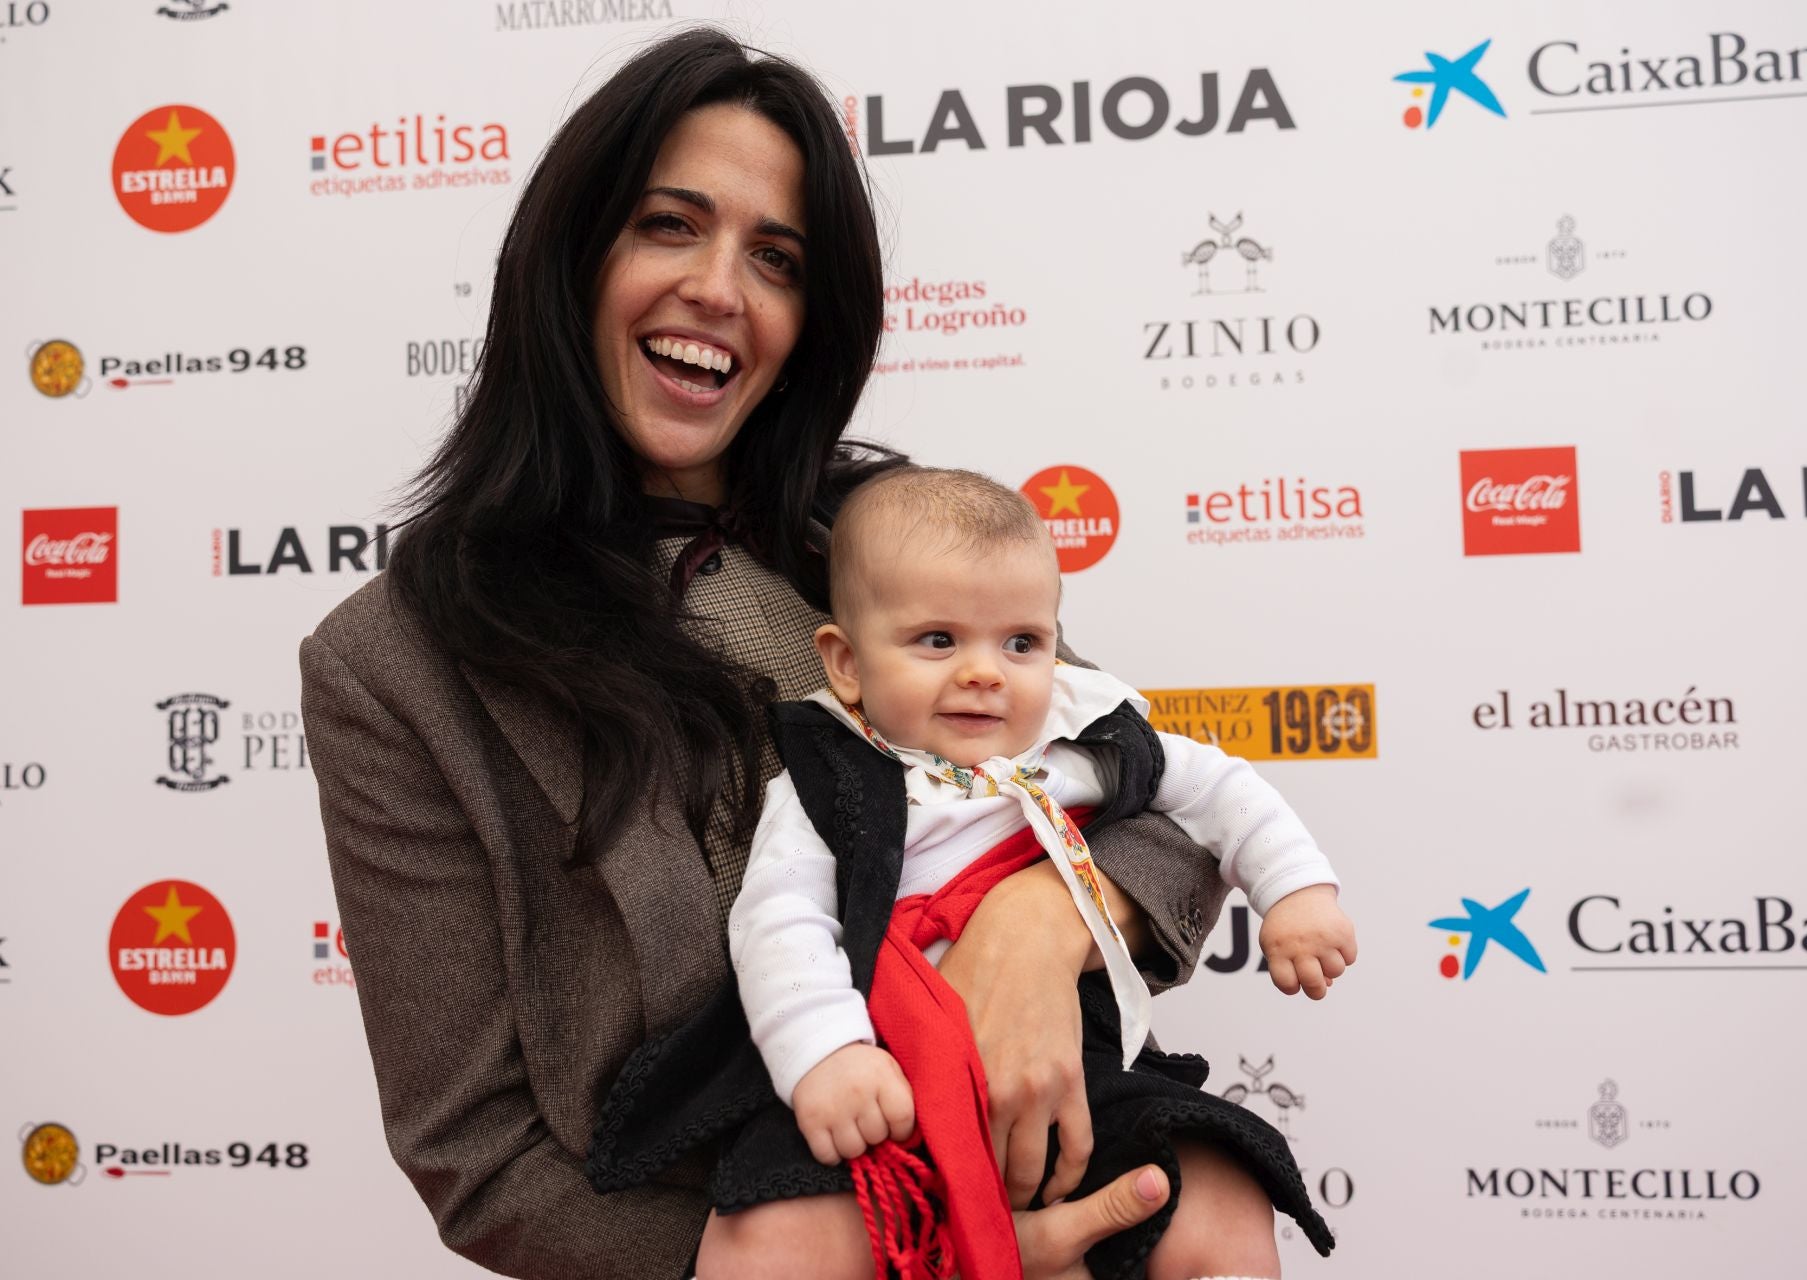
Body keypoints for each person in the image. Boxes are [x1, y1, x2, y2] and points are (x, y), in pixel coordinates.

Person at [300, 27, 1242, 1279]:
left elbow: (1155, 800)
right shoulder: (394, 663)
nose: (720, 290)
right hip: (763, 1240)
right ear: (572, 256)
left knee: (1227, 1200)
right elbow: (476, 1156)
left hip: (1054, 1185)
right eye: (670, 226)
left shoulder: (886, 537)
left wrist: (1043, 918)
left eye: (777, 258)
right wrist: (883, 1246)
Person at [626, 468, 1354, 1280]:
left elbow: (1217, 787)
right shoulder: (827, 777)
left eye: (1021, 644)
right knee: (766, 1234)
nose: (986, 673)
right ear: (846, 663)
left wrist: (1295, 890)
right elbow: (779, 922)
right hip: (883, 1077)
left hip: (1073, 1067)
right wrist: (824, 1055)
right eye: (938, 641)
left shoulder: (1079, 735)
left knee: (1220, 1190)